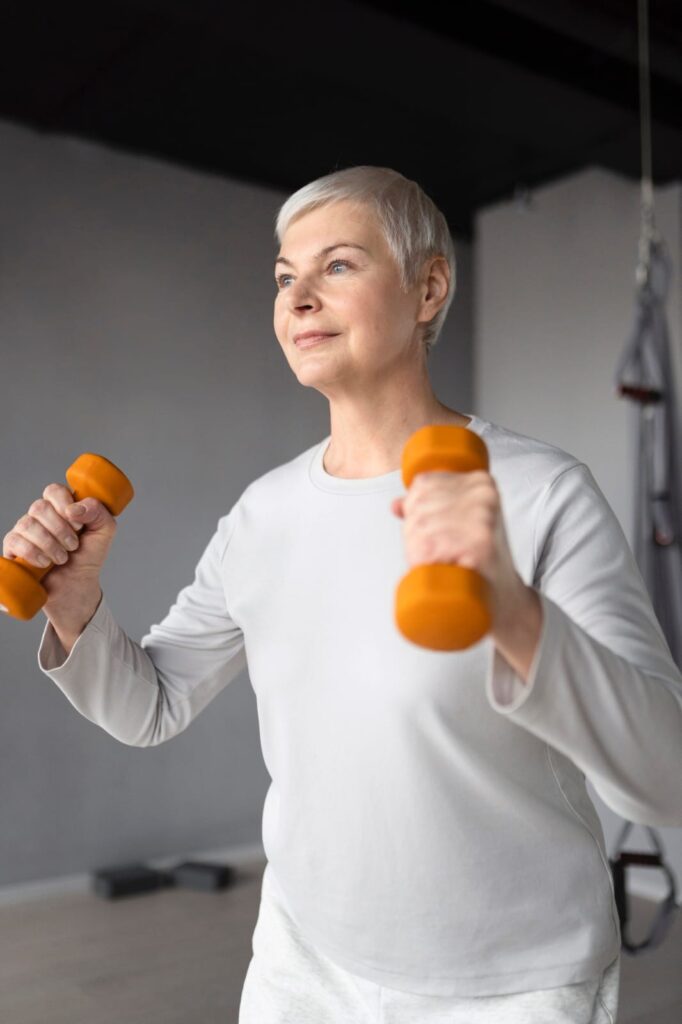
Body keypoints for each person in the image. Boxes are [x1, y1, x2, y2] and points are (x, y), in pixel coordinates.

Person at [7, 165, 682, 1023]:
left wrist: (512, 610)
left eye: (337, 266)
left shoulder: (542, 493)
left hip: (509, 980)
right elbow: (152, 705)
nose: (297, 298)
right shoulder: (263, 513)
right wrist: (76, 603)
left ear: (429, 287)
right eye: (285, 277)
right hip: (301, 963)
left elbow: (667, 780)